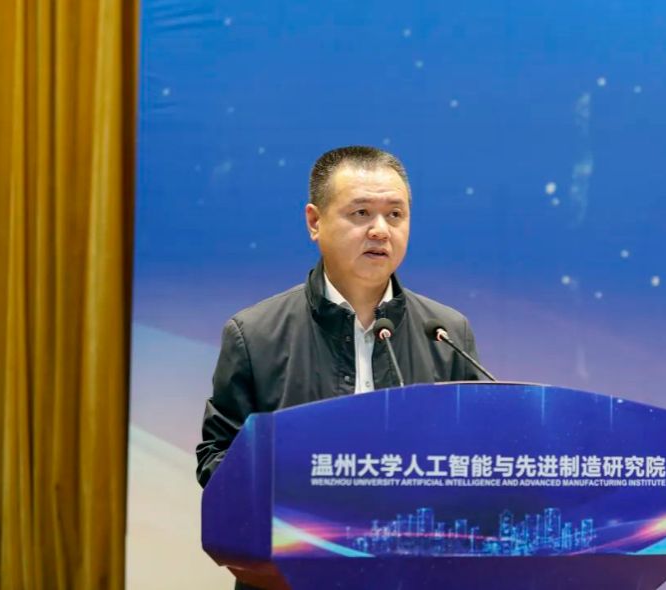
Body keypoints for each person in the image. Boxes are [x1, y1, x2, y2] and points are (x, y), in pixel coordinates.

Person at [195, 146, 483, 586]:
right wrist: (293, 491)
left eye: (395, 215)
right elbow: (216, 457)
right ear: (315, 222)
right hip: (291, 573)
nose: (380, 230)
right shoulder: (254, 335)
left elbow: (478, 455)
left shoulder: (446, 333)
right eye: (361, 213)